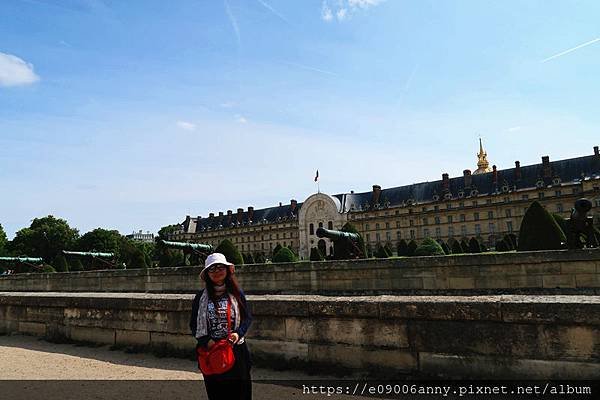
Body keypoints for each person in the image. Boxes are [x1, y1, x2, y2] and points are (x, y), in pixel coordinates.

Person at [189, 253, 252, 400]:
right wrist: (206, 341)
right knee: (217, 393)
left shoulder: (237, 293)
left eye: (220, 267)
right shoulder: (200, 297)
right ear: (207, 274)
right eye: (212, 269)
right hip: (212, 350)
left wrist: (238, 333)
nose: (217, 271)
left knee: (240, 393)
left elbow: (247, 318)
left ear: (227, 270)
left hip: (235, 349)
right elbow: (194, 324)